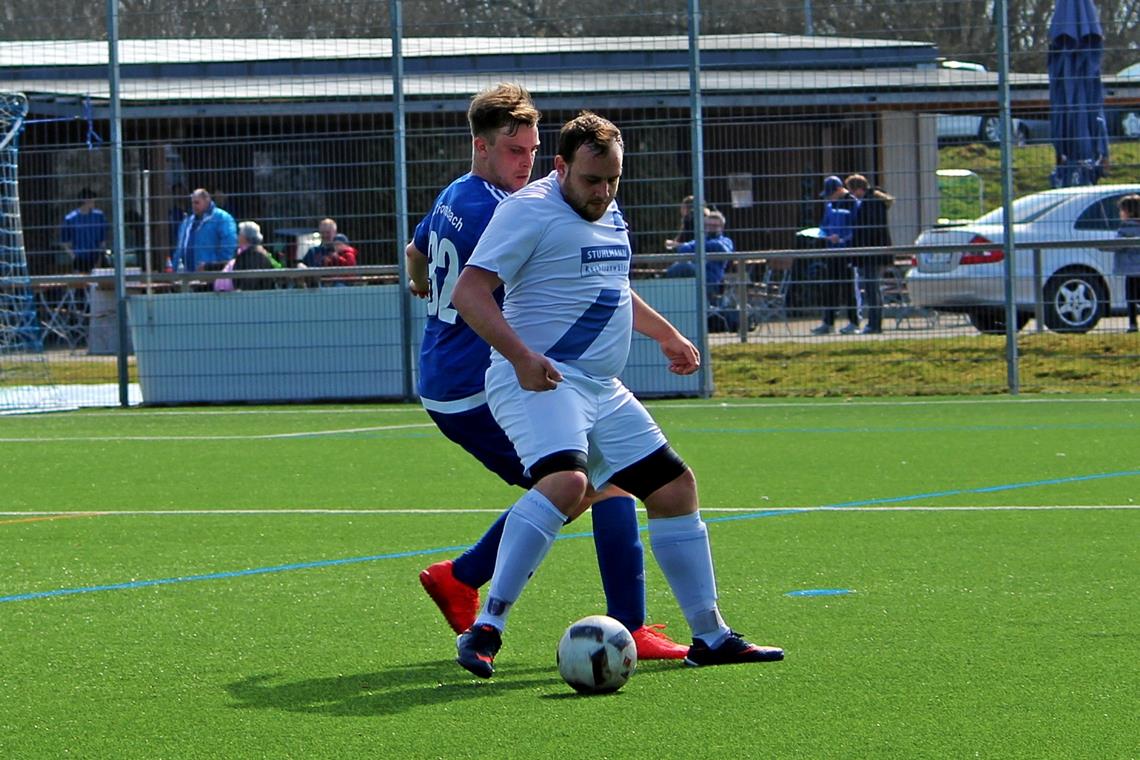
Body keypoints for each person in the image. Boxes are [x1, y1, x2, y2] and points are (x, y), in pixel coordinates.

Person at [450, 111, 783, 677]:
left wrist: (668, 334)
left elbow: (613, 289)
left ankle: (711, 635)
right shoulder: (527, 211)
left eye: (613, 181)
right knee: (566, 482)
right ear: (560, 167)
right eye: (591, 181)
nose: (603, 193)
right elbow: (470, 292)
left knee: (675, 489)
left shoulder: (608, 209)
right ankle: (487, 627)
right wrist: (522, 358)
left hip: (600, 387)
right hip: (542, 379)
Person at [406, 85, 686, 663]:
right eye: (515, 152)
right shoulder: (503, 211)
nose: (526, 162)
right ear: (481, 147)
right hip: (479, 380)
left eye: (532, 149)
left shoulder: (457, 194)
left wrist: (420, 282)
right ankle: (620, 624)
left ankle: (467, 580)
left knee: (587, 481)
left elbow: (415, 255)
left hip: (444, 374)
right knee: (596, 481)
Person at [846, 174, 894, 335]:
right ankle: (874, 323)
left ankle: (874, 324)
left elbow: (869, 229)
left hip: (871, 253)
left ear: (858, 189)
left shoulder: (870, 203)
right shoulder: (872, 201)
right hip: (874, 252)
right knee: (873, 289)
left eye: (852, 192)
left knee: (871, 289)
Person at [811, 175, 860, 335]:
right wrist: (823, 234)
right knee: (830, 287)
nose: (829, 197)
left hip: (846, 252)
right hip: (831, 251)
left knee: (848, 288)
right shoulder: (830, 204)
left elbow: (856, 228)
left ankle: (854, 322)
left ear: (839, 190)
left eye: (831, 193)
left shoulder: (852, 203)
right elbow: (825, 224)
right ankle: (828, 322)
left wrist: (843, 239)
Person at [664, 208, 732, 299]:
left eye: (715, 226)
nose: (711, 228)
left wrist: (695, 247)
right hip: (694, 278)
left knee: (684, 266)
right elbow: (683, 249)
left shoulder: (726, 241)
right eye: (708, 225)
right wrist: (698, 247)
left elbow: (721, 248)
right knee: (679, 267)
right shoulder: (699, 240)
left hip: (711, 280)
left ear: (722, 227)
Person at [171, 188, 238, 273]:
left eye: (197, 203)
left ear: (207, 201)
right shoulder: (187, 222)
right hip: (187, 274)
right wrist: (174, 268)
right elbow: (179, 247)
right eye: (192, 203)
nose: (194, 206)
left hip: (210, 274)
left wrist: (217, 267)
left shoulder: (222, 218)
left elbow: (229, 246)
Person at [214, 221, 278, 292]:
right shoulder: (244, 252)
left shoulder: (255, 255)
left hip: (255, 299)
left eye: (240, 234)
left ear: (245, 237)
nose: (237, 237)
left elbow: (251, 278)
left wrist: (240, 292)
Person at [59, 188, 108, 273]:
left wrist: (101, 255)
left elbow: (103, 239)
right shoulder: (70, 219)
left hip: (96, 257)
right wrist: (74, 257)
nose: (94, 202)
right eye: (92, 200)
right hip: (80, 259)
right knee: (81, 283)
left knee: (98, 282)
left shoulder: (99, 216)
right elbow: (64, 242)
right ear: (86, 201)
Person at [1116, 194, 1140, 333]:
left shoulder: (1125, 229)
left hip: (1132, 271)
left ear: (1129, 212)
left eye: (1122, 210)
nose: (1120, 214)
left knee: (1131, 298)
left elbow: (1117, 245)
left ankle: (1132, 324)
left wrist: (1102, 246)